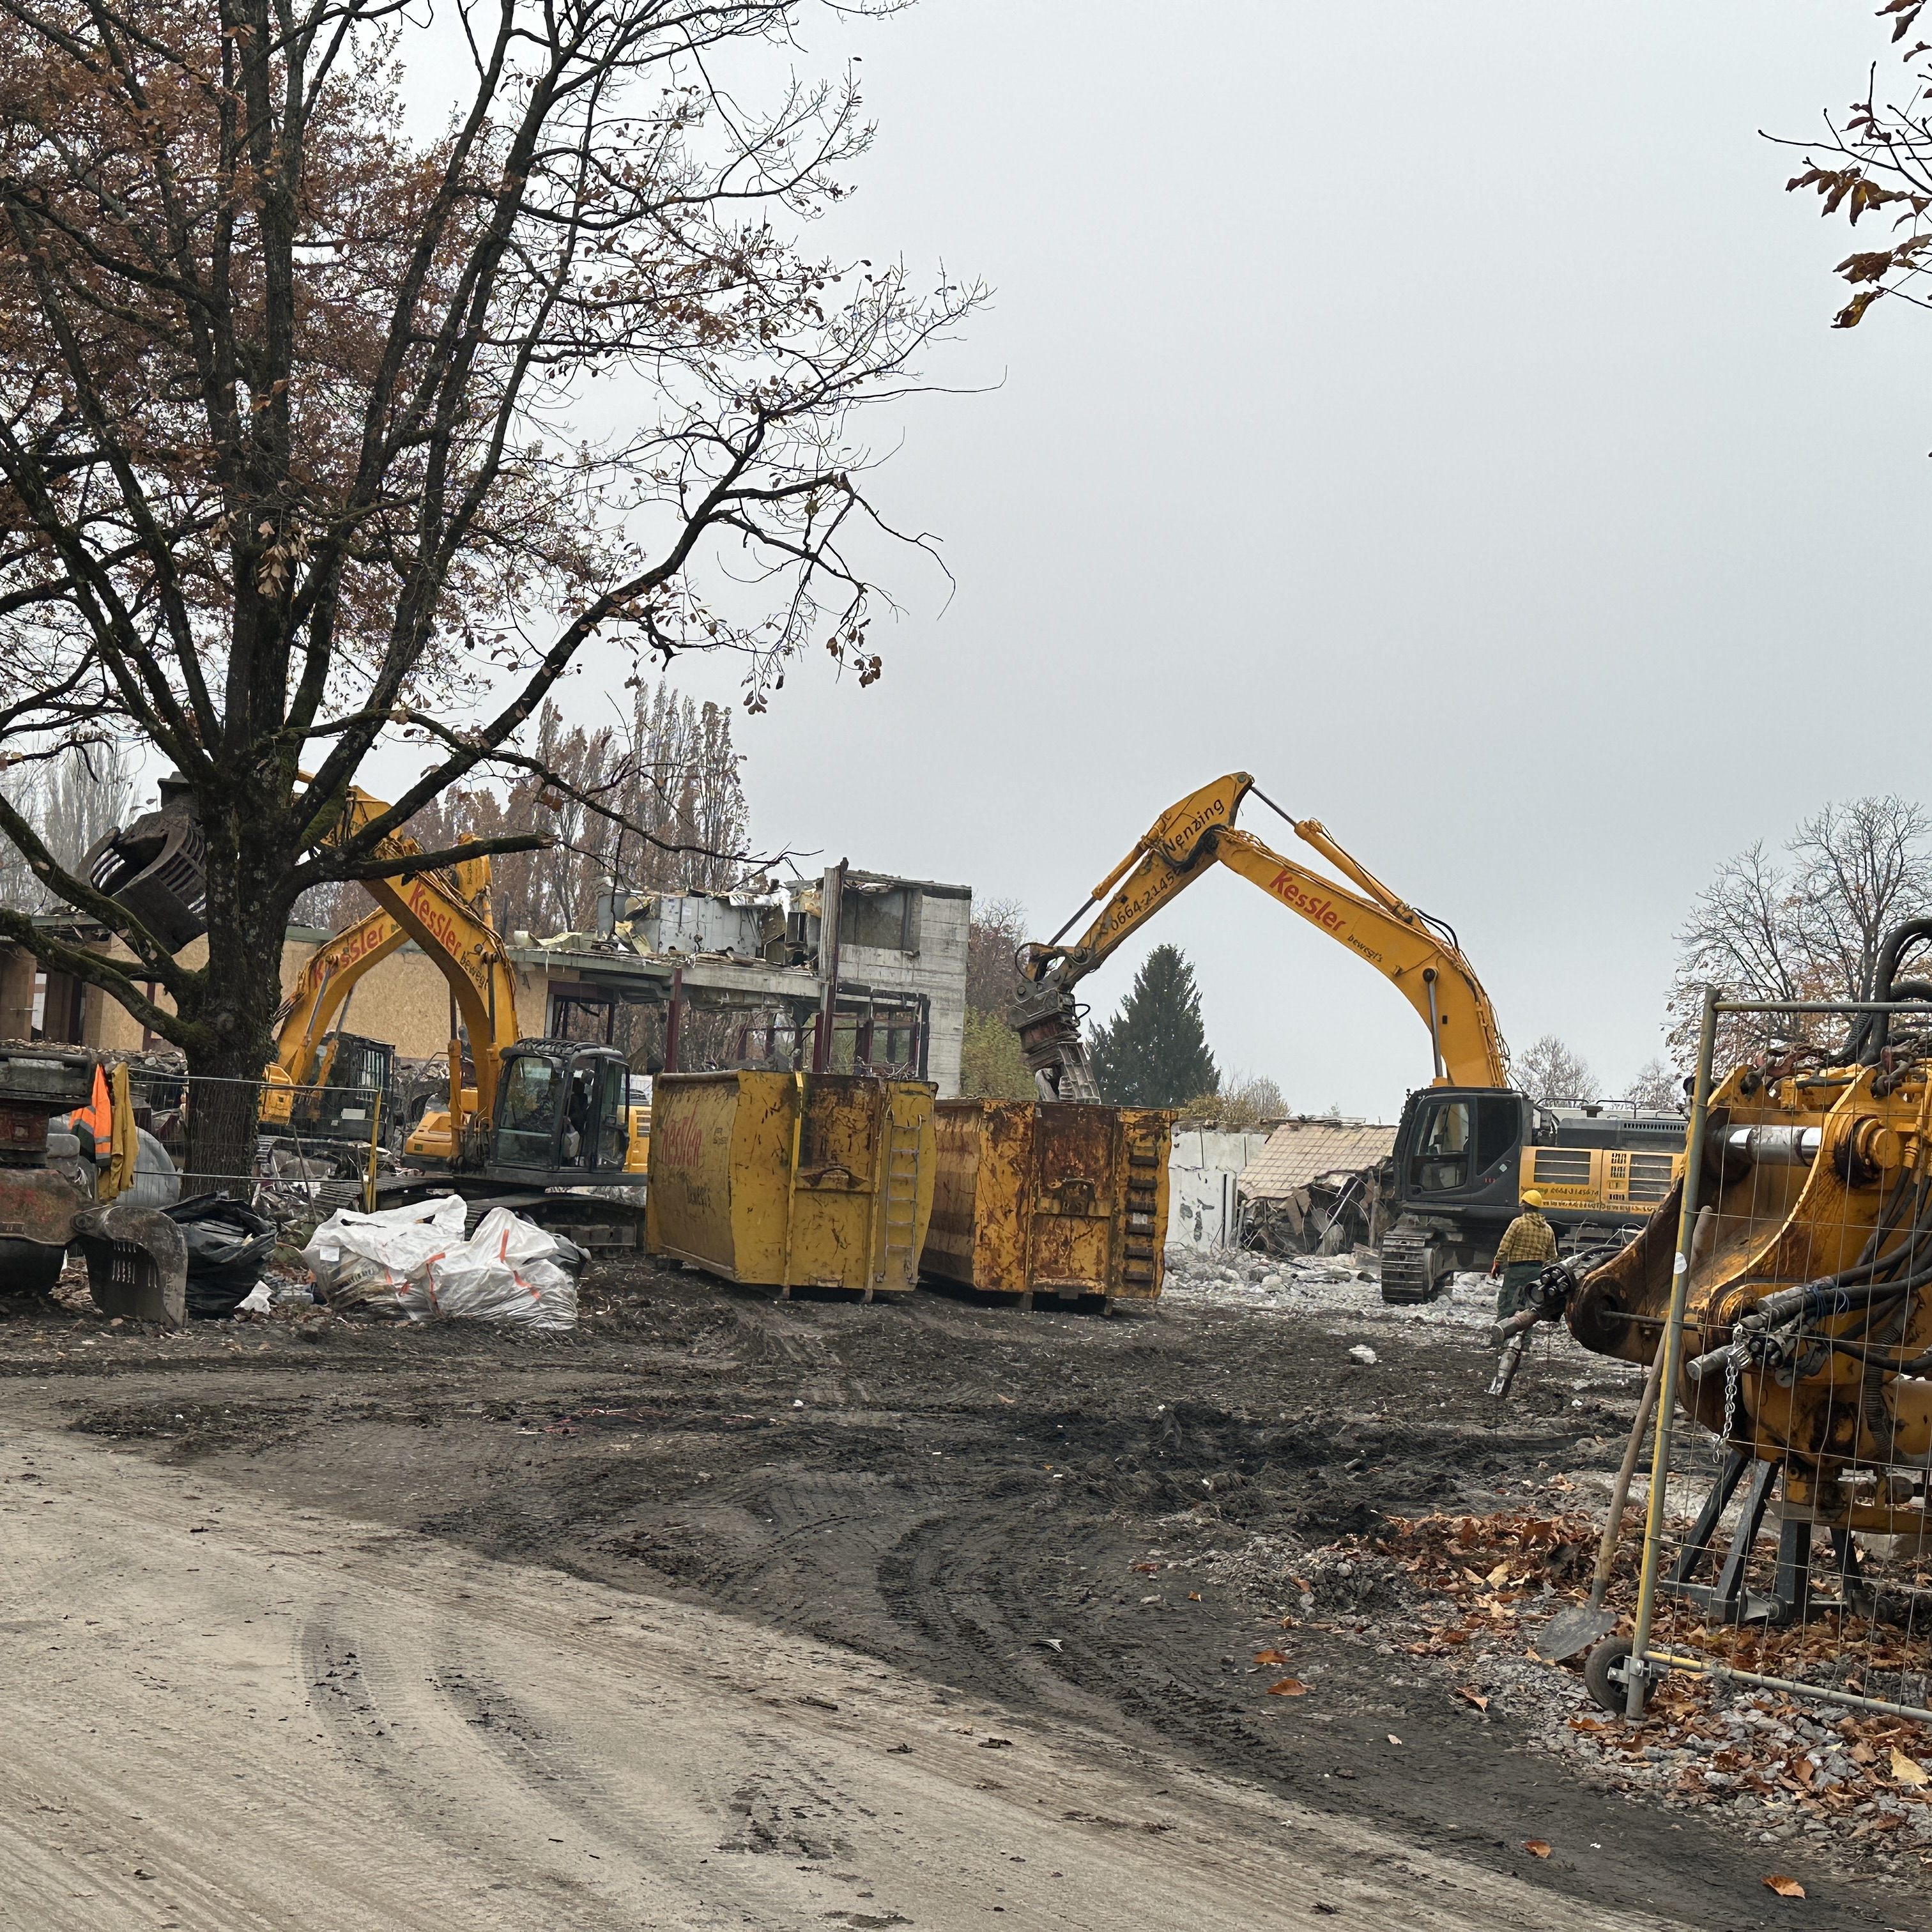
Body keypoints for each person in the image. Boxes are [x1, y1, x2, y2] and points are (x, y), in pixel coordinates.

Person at [1489, 1188, 1556, 1327]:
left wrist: (1497, 1264)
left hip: (1516, 1272)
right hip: (1536, 1274)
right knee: (1529, 1309)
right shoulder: (1548, 1229)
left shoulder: (1518, 1224)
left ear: (1525, 1206)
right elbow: (1553, 1258)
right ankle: (1524, 1344)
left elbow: (1505, 1246)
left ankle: (1500, 1339)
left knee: (1506, 1305)